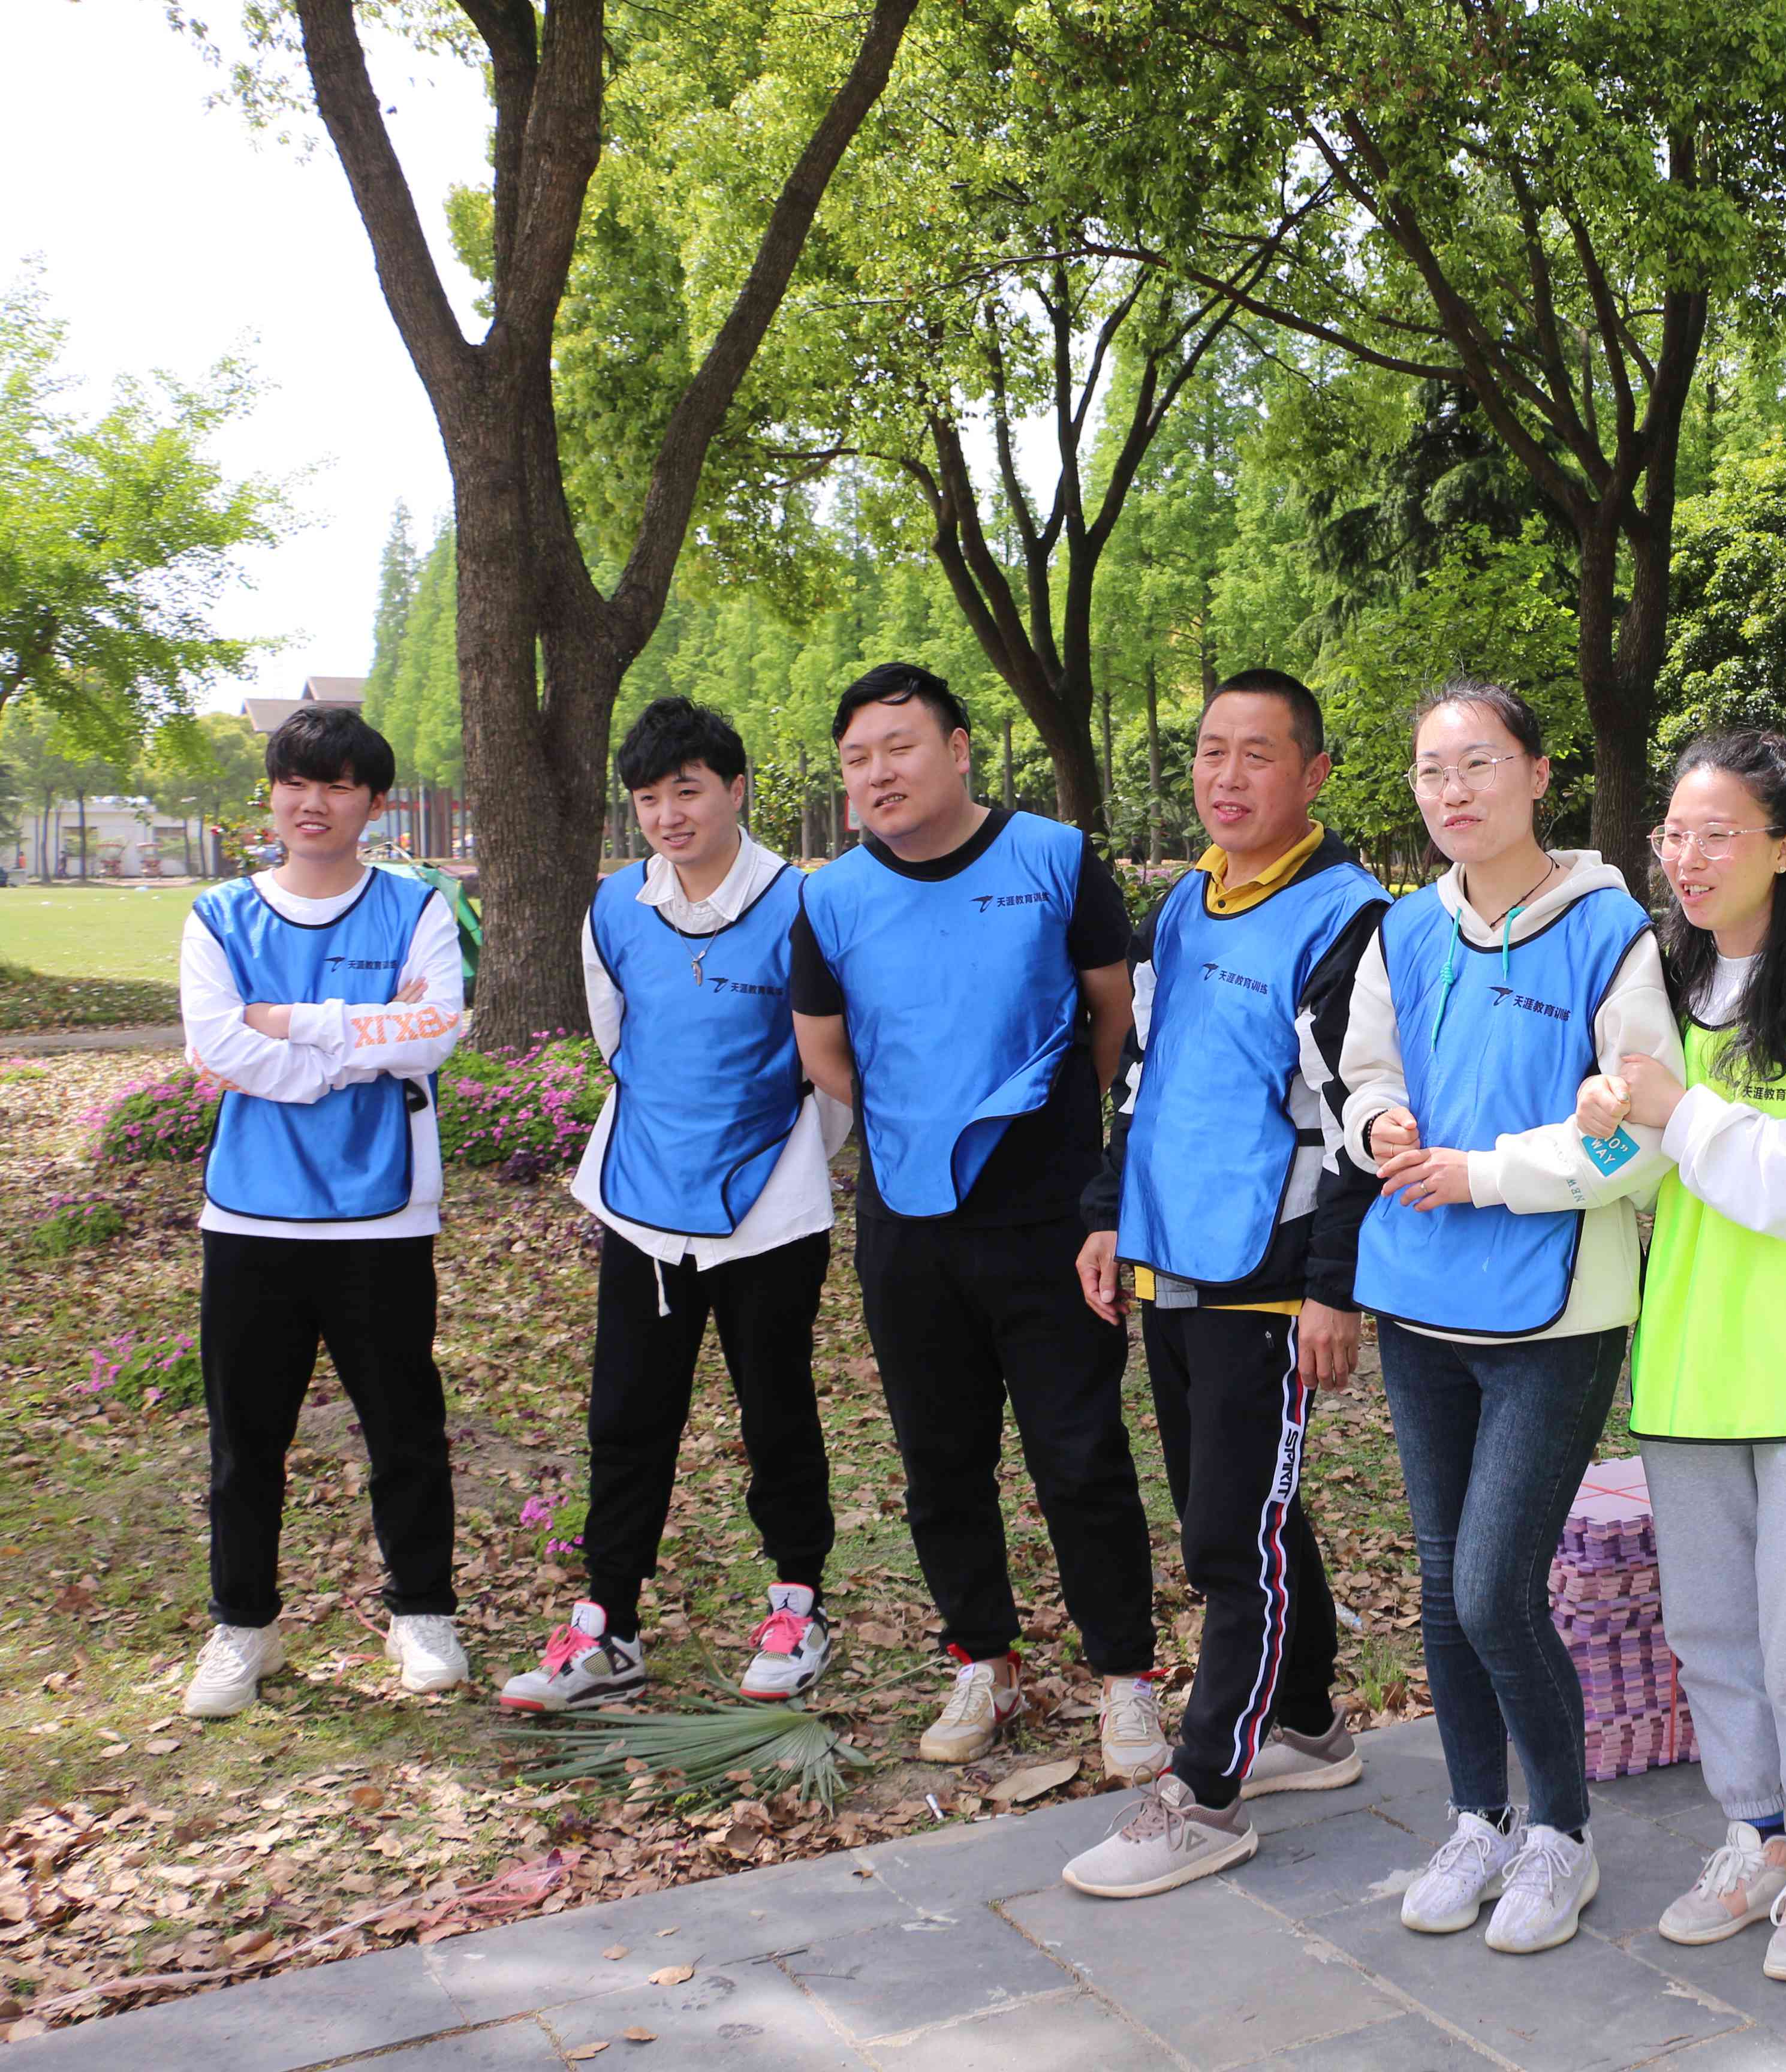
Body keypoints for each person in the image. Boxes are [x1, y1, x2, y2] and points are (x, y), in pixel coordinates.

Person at [1334, 680, 1683, 1956]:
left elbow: (1646, 1137)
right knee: (1443, 1582)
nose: (1454, 791)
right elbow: (1364, 1073)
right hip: (1421, 1297)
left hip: (1555, 1313)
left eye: (1480, 763)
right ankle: (1477, 1818)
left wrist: (1484, 1174)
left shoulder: (1610, 932)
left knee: (1493, 1587)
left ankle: (1562, 1836)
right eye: (1433, 771)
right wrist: (1376, 1123)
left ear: (1539, 774)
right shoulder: (1403, 932)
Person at [1570, 731, 1786, 1985]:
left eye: (1719, 834)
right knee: (1709, 1620)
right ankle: (1754, 1833)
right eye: (1675, 833)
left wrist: (1682, 1113)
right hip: (1690, 1343)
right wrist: (1606, 1125)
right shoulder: (1658, 982)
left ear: (1783, 847)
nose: (1690, 857)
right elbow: (1636, 1172)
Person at [790, 662, 1163, 1776]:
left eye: (899, 748)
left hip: (1051, 1219)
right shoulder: (832, 898)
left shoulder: (1053, 857)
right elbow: (825, 1051)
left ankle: (1125, 1679)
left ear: (958, 749)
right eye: (857, 760)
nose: (878, 774)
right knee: (939, 1458)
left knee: (1080, 1454)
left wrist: (1051, 1132)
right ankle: (982, 1660)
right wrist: (925, 1120)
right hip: (908, 1222)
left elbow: (1112, 1018)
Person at [1060, 670, 1389, 1898]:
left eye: (1259, 754)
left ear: (1313, 774)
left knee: (1224, 1540)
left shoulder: (1348, 917)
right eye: (1211, 751)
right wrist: (1108, 1214)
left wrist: (1333, 1289)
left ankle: (1204, 1793)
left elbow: (1362, 1118)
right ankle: (1307, 1722)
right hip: (1171, 1253)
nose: (1228, 776)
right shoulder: (1184, 903)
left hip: (1269, 1272)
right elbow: (1140, 1071)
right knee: (1250, 1510)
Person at [498, 698, 849, 1713]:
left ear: (736, 789)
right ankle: (607, 1624)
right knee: (627, 1415)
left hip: (770, 1209)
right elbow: (619, 1041)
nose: (667, 816)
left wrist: (786, 1162)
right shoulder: (615, 907)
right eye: (648, 799)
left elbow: (831, 1067)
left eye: (687, 791)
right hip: (642, 1204)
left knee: (776, 1409)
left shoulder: (805, 905)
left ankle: (798, 1604)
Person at [177, 703, 471, 1718]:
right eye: (297, 783)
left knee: (405, 1429)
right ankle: (243, 1626)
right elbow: (216, 1047)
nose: (315, 803)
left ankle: (422, 1611)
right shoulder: (220, 916)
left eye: (340, 786)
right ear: (271, 795)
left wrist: (292, 1026)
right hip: (251, 1218)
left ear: (374, 804)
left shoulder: (415, 907)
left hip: (382, 1217)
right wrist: (349, 1056)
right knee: (245, 1441)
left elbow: (434, 1032)